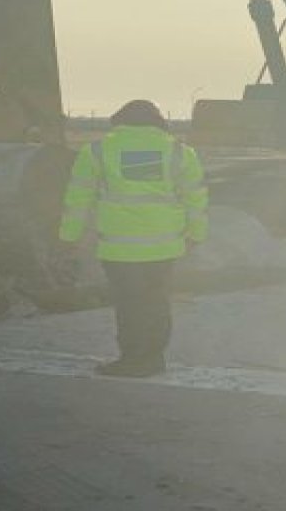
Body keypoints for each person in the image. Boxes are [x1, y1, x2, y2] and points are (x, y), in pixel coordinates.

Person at [57, 100, 208, 377]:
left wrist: (69, 237)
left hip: (119, 248)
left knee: (130, 305)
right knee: (157, 301)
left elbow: (78, 199)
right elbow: (196, 199)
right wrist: (196, 235)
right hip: (164, 246)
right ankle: (153, 358)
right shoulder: (180, 152)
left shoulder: (97, 152)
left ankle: (133, 359)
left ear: (119, 121)